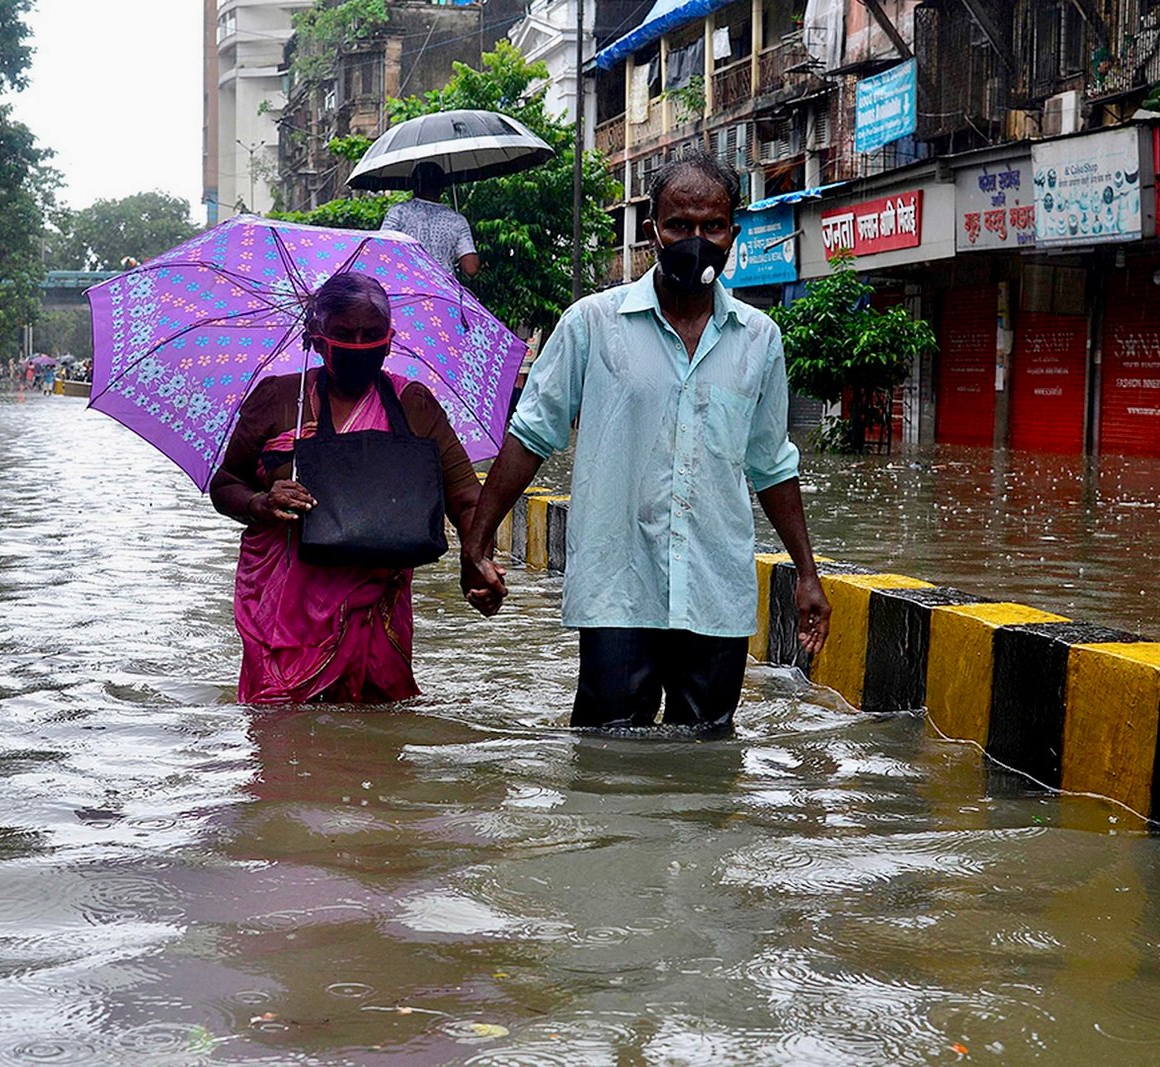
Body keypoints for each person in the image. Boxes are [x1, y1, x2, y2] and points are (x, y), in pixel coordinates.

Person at [458, 151, 831, 735]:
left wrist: (807, 573)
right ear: (652, 229)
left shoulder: (760, 339)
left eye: (712, 226)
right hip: (618, 587)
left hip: (715, 588)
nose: (697, 239)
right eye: (680, 225)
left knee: (705, 763)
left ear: (734, 231)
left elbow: (771, 464)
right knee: (606, 758)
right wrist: (475, 543)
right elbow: (531, 435)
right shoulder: (591, 324)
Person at [210, 272, 493, 704]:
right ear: (316, 339)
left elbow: (467, 499)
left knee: (377, 744)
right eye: (344, 334)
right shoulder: (278, 399)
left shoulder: (414, 406)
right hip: (285, 619)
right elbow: (226, 484)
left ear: (390, 339)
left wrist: (477, 560)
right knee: (281, 742)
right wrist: (261, 503)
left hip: (378, 613)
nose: (359, 345)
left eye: (371, 335)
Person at [380, 163, 480, 277]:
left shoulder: (398, 212)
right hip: (443, 291)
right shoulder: (457, 220)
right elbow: (471, 268)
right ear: (442, 188)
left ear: (414, 185)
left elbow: (381, 248)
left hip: (405, 287)